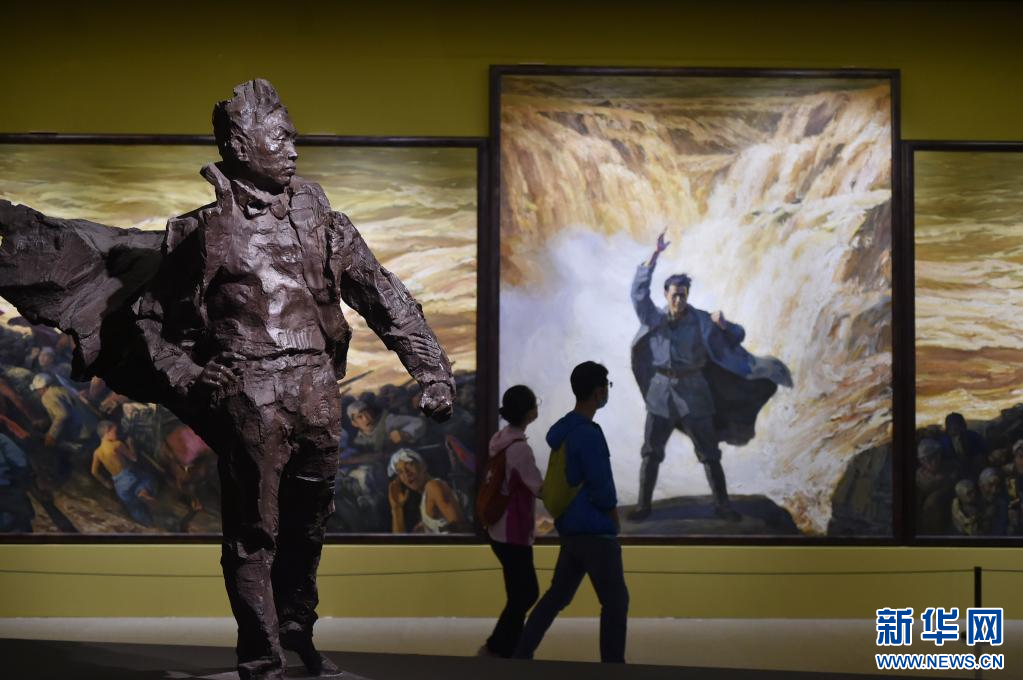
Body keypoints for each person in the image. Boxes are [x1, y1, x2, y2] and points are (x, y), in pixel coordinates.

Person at [0, 79, 456, 680]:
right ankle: (262, 661)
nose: (294, 147)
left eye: (293, 136)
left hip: (318, 393)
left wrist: (432, 372)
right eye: (281, 137)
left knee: (308, 531)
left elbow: (385, 297)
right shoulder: (202, 233)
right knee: (254, 536)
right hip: (251, 395)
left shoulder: (327, 224)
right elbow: (149, 321)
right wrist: (189, 375)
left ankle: (297, 638)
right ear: (240, 145)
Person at [629, 231, 791, 522]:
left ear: (687, 295)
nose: (678, 298)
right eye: (674, 294)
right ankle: (643, 507)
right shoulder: (654, 318)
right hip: (661, 395)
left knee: (709, 453)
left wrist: (725, 325)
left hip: (694, 393)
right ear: (666, 295)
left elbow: (737, 334)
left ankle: (723, 506)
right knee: (651, 452)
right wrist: (654, 255)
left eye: (682, 294)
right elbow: (638, 293)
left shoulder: (702, 319)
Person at [514, 361, 629, 664]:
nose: (607, 392)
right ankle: (613, 668)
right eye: (606, 386)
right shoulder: (588, 434)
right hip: (595, 531)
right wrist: (612, 516)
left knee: (557, 596)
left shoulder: (565, 430)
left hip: (570, 528)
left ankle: (522, 653)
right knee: (616, 602)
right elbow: (601, 484)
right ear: (598, 392)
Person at [479, 385, 543, 658]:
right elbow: (538, 487)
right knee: (526, 593)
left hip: (497, 529)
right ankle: (497, 647)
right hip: (513, 531)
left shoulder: (501, 439)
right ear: (530, 413)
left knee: (519, 593)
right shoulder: (520, 450)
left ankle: (508, 648)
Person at [90, 420, 157, 526]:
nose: (117, 434)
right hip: (129, 475)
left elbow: (94, 472)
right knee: (147, 478)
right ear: (107, 432)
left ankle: (149, 524)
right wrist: (130, 444)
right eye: (115, 432)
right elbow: (134, 458)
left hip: (119, 484)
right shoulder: (117, 444)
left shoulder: (97, 452)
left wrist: (106, 483)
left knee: (134, 508)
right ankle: (143, 492)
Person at [387, 448, 469, 533]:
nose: (406, 474)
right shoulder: (426, 497)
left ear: (423, 466)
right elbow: (400, 540)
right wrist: (396, 508)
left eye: (409, 465)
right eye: (400, 472)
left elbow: (461, 529)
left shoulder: (433, 487)